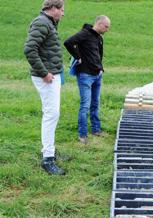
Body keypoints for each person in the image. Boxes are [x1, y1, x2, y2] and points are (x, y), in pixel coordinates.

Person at [24, 0, 65, 175]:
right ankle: (47, 158)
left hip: (52, 75)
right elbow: (29, 49)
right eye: (61, 10)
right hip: (47, 77)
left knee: (52, 113)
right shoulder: (41, 22)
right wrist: (44, 73)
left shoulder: (49, 23)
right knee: (51, 114)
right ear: (52, 8)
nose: (63, 13)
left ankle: (50, 151)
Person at [64, 15, 111, 144]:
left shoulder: (99, 38)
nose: (107, 29)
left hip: (97, 75)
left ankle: (96, 130)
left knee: (95, 103)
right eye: (106, 26)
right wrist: (78, 57)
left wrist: (101, 68)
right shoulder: (84, 34)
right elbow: (68, 42)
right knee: (85, 105)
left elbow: (99, 55)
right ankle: (82, 135)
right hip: (85, 75)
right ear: (99, 24)